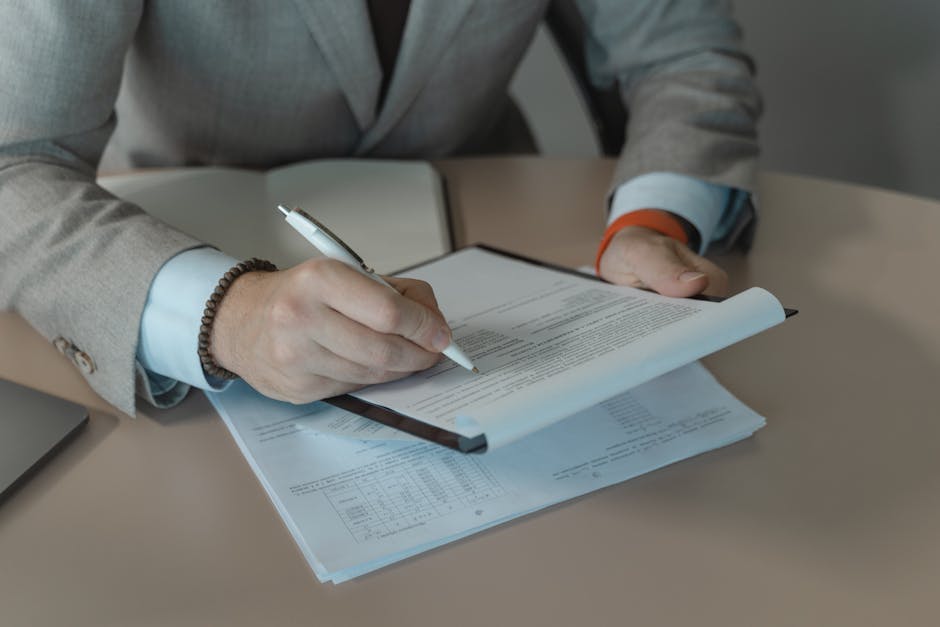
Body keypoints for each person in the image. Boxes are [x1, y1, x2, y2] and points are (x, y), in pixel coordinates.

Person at [0, 1, 760, 416]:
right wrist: (222, 318)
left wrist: (653, 221)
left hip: (490, 223)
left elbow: (681, 54)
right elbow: (13, 160)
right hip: (180, 242)